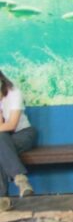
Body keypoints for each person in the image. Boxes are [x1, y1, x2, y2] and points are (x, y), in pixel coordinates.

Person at [0, 69, 36, 211]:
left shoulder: (14, 93)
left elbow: (11, 125)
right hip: (3, 139)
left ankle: (2, 199)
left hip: (23, 134)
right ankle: (21, 179)